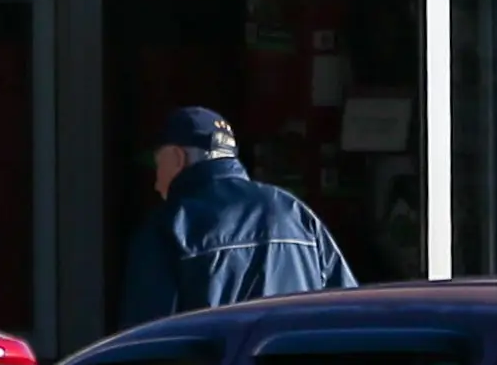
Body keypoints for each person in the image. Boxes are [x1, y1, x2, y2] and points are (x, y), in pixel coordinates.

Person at [117, 106, 357, 324]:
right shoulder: (292, 211)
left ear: (178, 158)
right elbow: (349, 309)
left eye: (159, 164)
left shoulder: (170, 227)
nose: (156, 184)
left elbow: (148, 338)